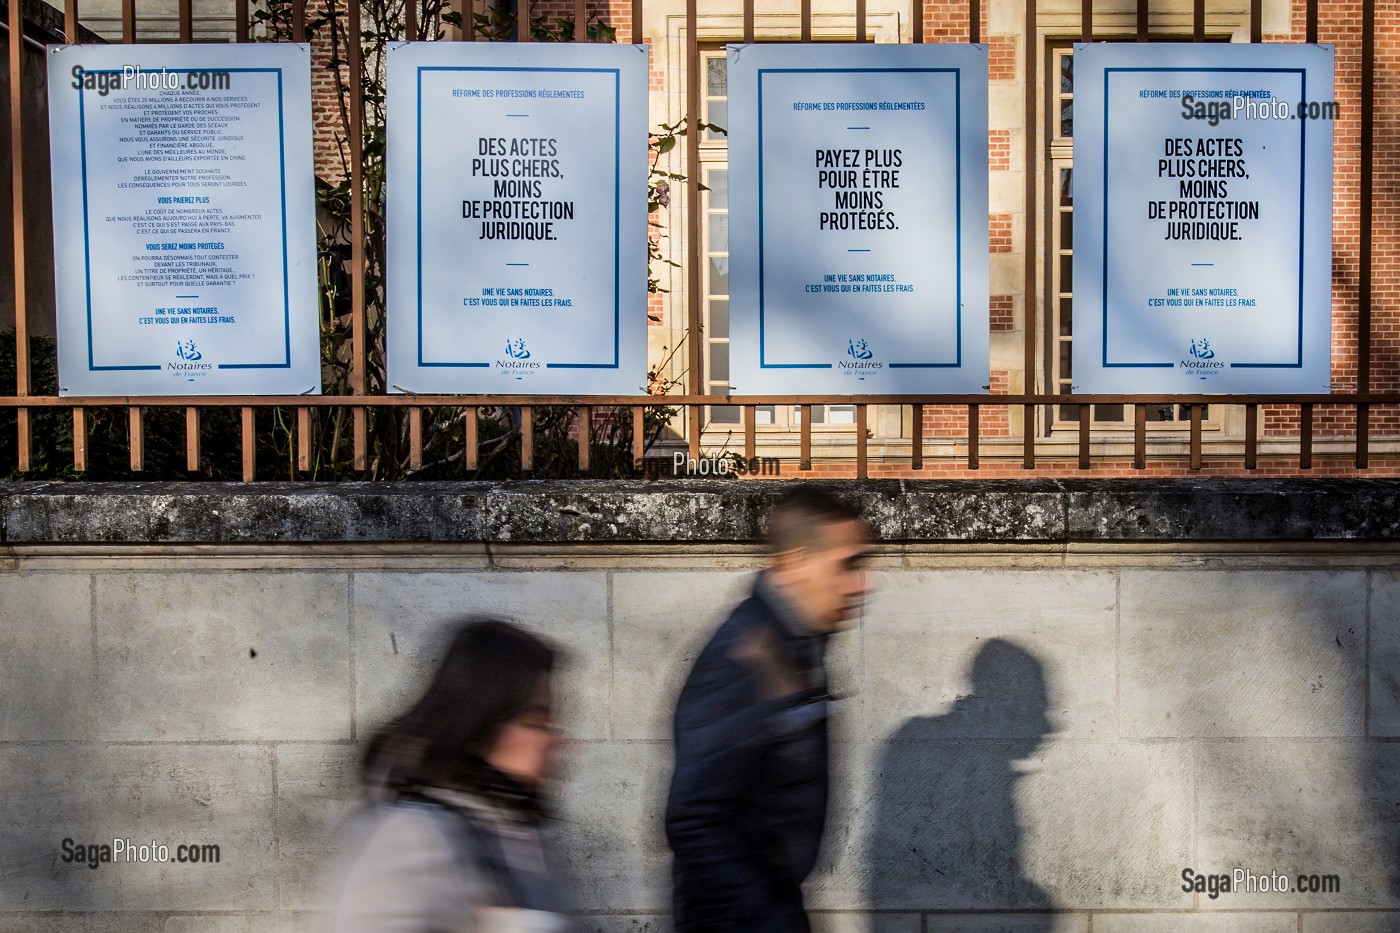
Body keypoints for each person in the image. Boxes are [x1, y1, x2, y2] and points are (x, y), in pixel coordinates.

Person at [665, 486, 874, 933]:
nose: (863, 584)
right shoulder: (745, 653)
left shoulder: (794, 642)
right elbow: (693, 819)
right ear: (796, 562)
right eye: (847, 566)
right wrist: (766, 920)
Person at [328, 618, 572, 933]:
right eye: (537, 722)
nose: (556, 742)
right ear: (482, 722)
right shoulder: (415, 838)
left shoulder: (520, 836)